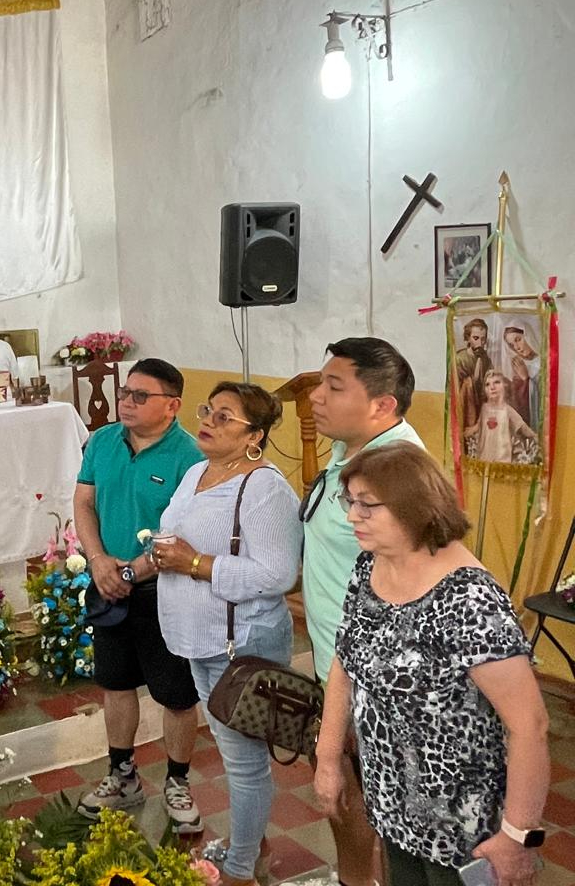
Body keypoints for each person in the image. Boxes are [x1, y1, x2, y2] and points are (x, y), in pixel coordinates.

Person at [315, 442, 549, 886]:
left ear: (413, 508)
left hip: (464, 824)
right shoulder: (370, 566)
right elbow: (345, 663)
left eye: (367, 506)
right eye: (351, 502)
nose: (351, 517)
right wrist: (327, 758)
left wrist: (516, 836)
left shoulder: (468, 598)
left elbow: (530, 725)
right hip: (391, 800)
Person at [153, 383, 301, 886]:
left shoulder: (265, 488)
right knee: (226, 744)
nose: (209, 420)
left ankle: (240, 868)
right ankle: (249, 844)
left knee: (243, 761)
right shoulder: (197, 471)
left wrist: (194, 563)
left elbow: (278, 574)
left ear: (254, 436)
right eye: (208, 411)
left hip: (240, 641)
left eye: (224, 416)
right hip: (197, 634)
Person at [302, 337, 423, 886]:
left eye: (334, 386)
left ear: (383, 405)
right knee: (348, 808)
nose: (315, 397)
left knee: (366, 813)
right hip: (339, 664)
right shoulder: (350, 453)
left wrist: (355, 698)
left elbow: (410, 596)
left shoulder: (397, 475)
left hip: (372, 682)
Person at [73, 358, 205, 831]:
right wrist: (98, 561)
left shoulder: (190, 457)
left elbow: (185, 535)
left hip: (162, 590)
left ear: (172, 405)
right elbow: (84, 502)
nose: (126, 402)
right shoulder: (104, 440)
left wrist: (132, 571)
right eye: (125, 393)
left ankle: (177, 780)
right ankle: (122, 775)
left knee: (176, 694)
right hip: (108, 580)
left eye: (139, 396)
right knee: (115, 683)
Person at [465, 369, 537, 463]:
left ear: (505, 385)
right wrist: (468, 431)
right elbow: (479, 426)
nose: (492, 387)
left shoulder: (507, 410)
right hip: (484, 458)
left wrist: (536, 437)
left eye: (497, 382)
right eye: (487, 384)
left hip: (503, 460)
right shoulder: (484, 409)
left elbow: (524, 428)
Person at [455, 318, 492, 432]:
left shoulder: (485, 359)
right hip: (466, 405)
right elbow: (459, 387)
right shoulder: (460, 358)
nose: (480, 343)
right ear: (468, 338)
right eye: (475, 338)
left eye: (483, 339)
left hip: (482, 403)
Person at [505, 323, 541, 427]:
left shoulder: (543, 362)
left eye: (518, 339)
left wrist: (526, 378)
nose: (516, 347)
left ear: (528, 336)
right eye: (511, 345)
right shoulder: (518, 365)